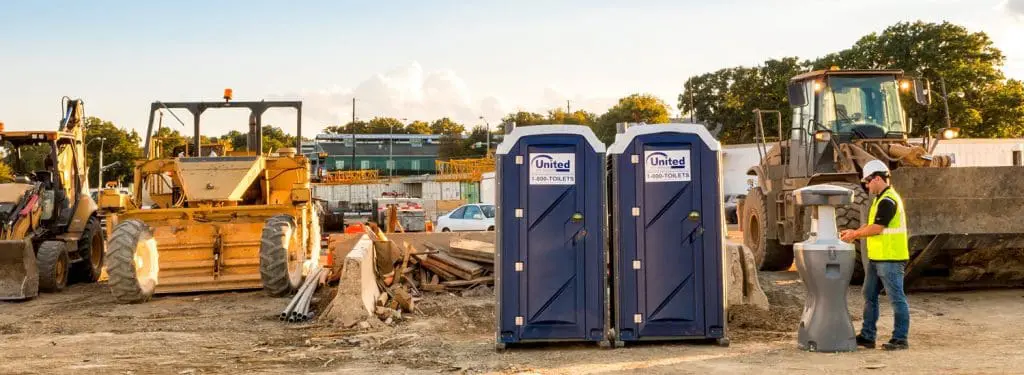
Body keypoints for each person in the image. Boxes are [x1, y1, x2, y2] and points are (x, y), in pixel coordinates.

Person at [839, 160, 910, 351]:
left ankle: (900, 339)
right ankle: (868, 336)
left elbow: (878, 228)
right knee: (869, 295)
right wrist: (854, 230)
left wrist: (854, 235)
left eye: (868, 182)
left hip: (891, 259)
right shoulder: (880, 199)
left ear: (877, 178)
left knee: (896, 299)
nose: (866, 186)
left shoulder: (888, 200)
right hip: (878, 258)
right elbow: (871, 224)